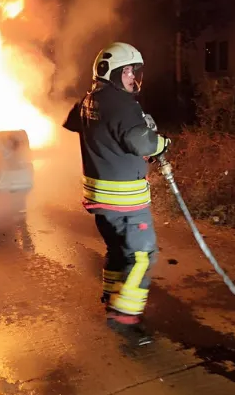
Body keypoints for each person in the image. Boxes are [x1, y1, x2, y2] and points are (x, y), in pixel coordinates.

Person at [63, 42, 171, 346]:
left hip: (98, 199)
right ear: (116, 71)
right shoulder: (123, 104)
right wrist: (162, 143)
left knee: (116, 250)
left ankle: (111, 296)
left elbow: (74, 123)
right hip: (125, 201)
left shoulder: (88, 100)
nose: (132, 78)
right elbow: (144, 145)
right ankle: (124, 316)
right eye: (129, 72)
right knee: (142, 256)